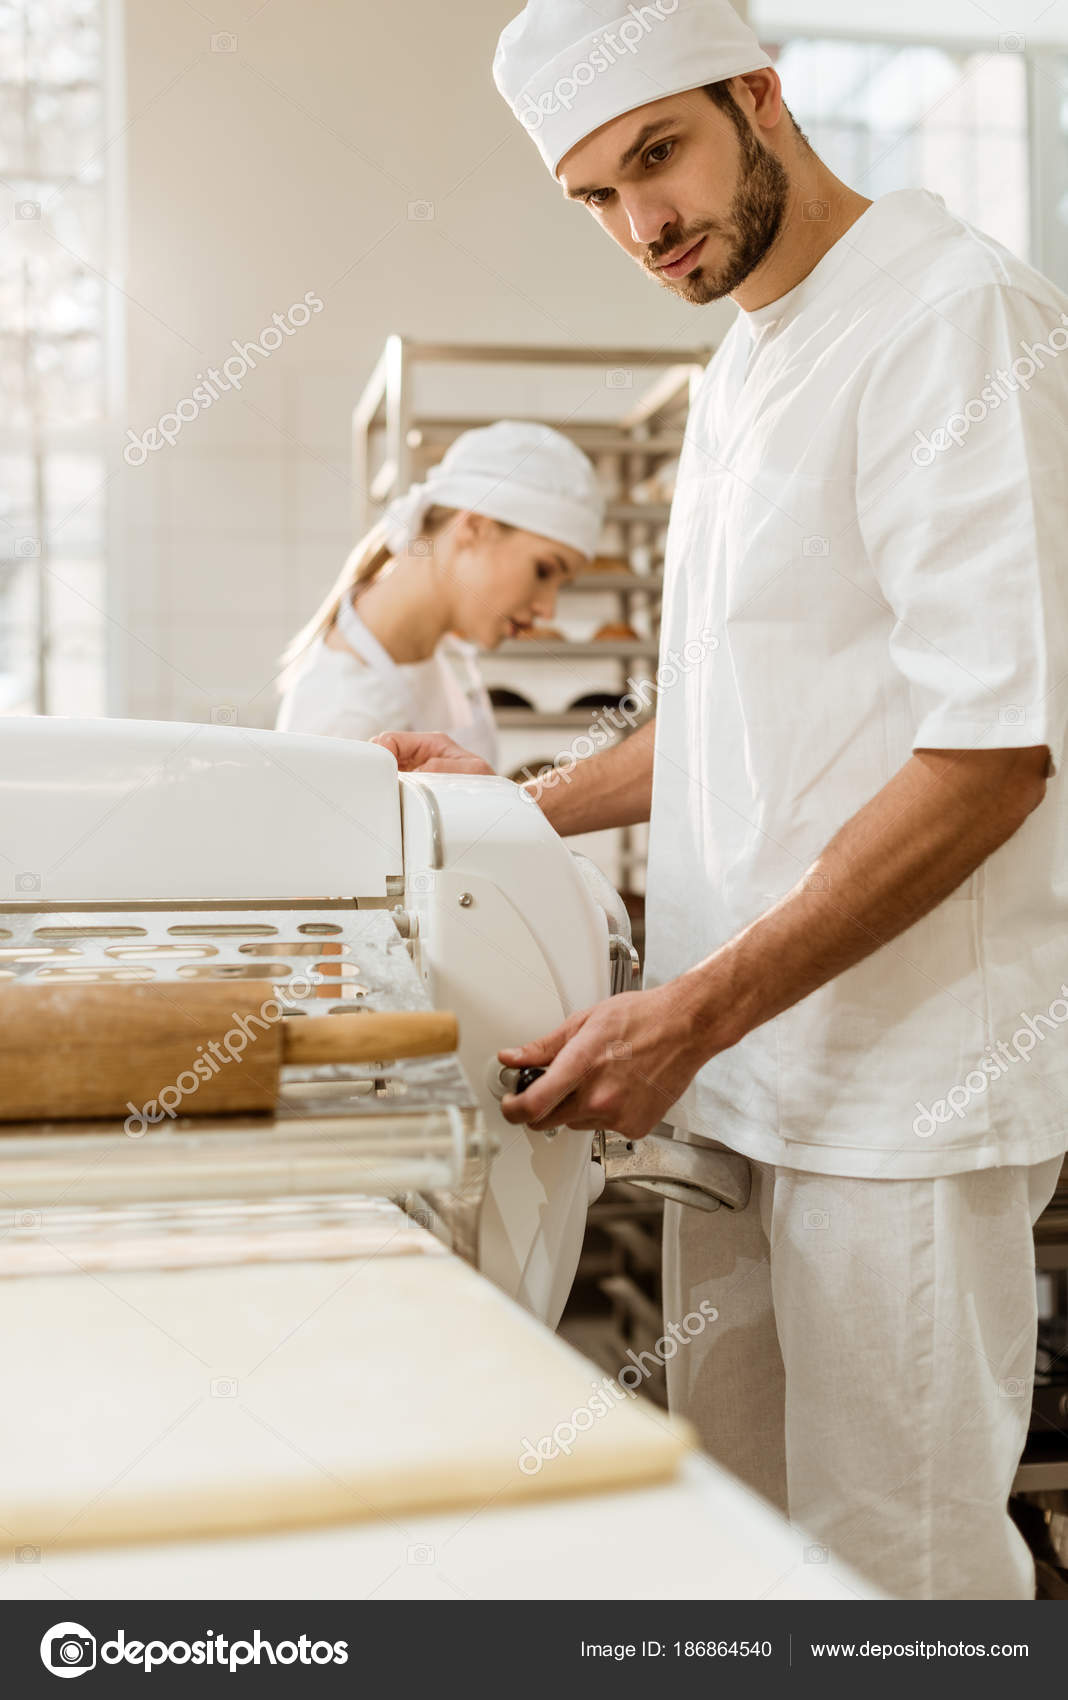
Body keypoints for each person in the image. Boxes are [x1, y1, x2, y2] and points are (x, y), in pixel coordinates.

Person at [376, 0, 1068, 1600]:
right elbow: (734, 716)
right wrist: (523, 805)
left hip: (898, 1098)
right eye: (598, 198)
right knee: (756, 1560)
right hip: (745, 1077)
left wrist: (689, 1013)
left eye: (660, 158)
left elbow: (993, 756)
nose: (644, 225)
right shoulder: (755, 358)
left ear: (762, 90)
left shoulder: (951, 319)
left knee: (895, 1573)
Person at [277, 421, 603, 760]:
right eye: (544, 571)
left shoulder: (440, 648)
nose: (548, 610)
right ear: (474, 527)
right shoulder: (343, 719)